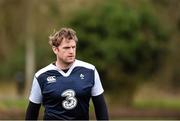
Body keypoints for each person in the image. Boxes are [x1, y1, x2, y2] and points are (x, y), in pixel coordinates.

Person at [25, 27, 109, 120]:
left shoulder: (90, 71)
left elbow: (101, 109)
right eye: (66, 48)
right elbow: (31, 114)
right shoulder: (41, 76)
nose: (71, 51)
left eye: (73, 47)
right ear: (55, 49)